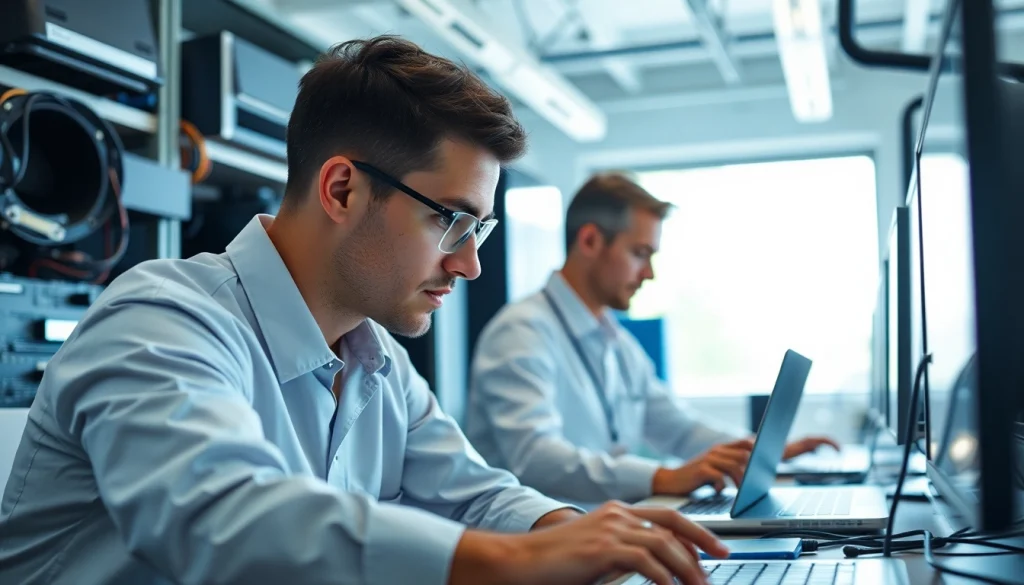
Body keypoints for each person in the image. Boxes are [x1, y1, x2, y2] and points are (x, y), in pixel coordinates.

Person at [0, 37, 728, 585]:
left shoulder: (375, 359)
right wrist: (513, 560)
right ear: (342, 190)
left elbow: (476, 496)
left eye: (479, 232)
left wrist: (581, 535)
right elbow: (223, 518)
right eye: (451, 221)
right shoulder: (161, 319)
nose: (469, 264)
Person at [465, 173, 839, 505]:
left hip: (602, 534)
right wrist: (663, 478)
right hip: (537, 547)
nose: (649, 274)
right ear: (590, 240)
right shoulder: (521, 332)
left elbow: (679, 428)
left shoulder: (617, 342)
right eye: (640, 253)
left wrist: (761, 451)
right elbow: (535, 457)